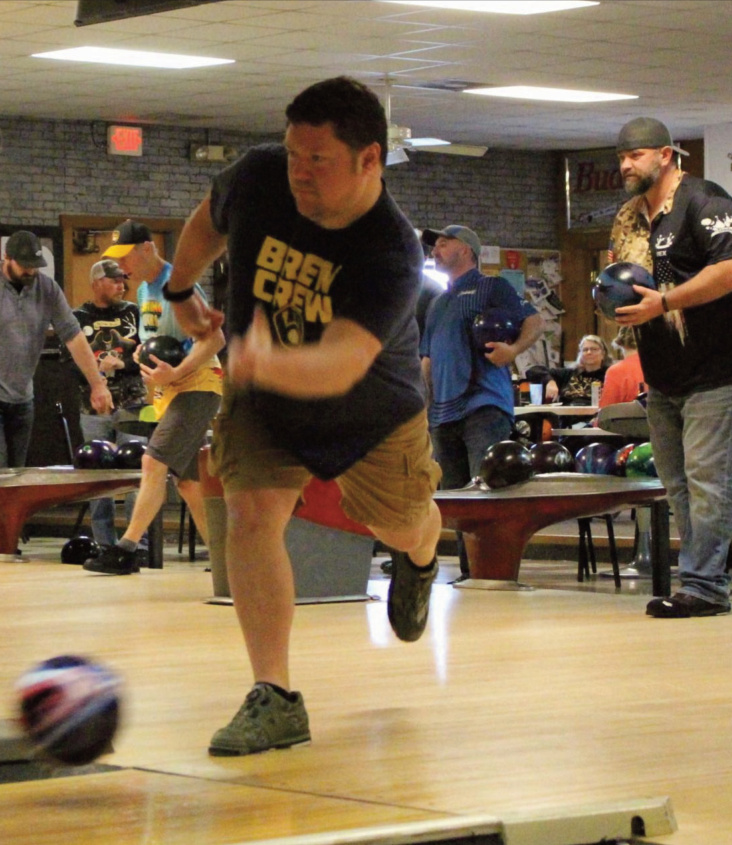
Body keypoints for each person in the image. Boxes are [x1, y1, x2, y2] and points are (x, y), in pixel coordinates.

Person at [161, 76, 443, 756]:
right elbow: (209, 218)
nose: (299, 172)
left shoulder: (390, 250)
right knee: (253, 517)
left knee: (395, 522)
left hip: (370, 412)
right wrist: (178, 287)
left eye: (318, 160)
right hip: (265, 401)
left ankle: (422, 553)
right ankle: (275, 695)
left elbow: (342, 363)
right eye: (293, 153)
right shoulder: (259, 176)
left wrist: (262, 360)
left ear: (369, 159)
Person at [609, 116, 732, 618]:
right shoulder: (630, 217)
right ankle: (701, 578)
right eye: (622, 157)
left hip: (716, 370)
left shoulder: (704, 200)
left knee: (710, 481)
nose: (626, 164)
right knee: (679, 484)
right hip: (663, 372)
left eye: (637, 155)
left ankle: (704, 586)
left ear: (665, 156)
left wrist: (664, 302)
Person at [82, 220, 224, 575]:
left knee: (152, 462)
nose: (121, 266)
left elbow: (214, 340)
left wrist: (175, 372)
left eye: (126, 256)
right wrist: (138, 353)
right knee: (188, 483)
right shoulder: (145, 291)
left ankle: (126, 548)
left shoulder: (179, 287)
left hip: (198, 385)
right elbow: (156, 338)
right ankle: (226, 557)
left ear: (148, 248)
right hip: (171, 389)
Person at [419, 224, 543, 581]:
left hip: (482, 406)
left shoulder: (492, 287)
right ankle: (471, 574)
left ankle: (495, 572)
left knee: (486, 491)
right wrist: (422, 405)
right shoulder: (437, 302)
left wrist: (514, 350)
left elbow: (532, 321)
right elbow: (427, 358)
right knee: (458, 499)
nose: (437, 247)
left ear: (468, 250)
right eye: (434, 243)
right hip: (442, 412)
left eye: (445, 241)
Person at [0, 230, 112, 468]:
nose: (30, 271)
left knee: (16, 474)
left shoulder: (47, 289)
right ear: (6, 258)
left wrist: (97, 384)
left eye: (35, 265)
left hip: (22, 397)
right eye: (25, 265)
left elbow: (74, 336)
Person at [70, 259, 149, 550]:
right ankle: (104, 543)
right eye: (114, 280)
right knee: (97, 475)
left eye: (122, 280)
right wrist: (95, 371)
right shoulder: (78, 316)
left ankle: (136, 542)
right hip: (93, 407)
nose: (121, 286)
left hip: (133, 401)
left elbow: (147, 352)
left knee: (135, 470)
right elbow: (69, 360)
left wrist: (123, 362)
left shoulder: (133, 312)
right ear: (96, 283)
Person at [543, 334, 611, 405]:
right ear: (580, 354)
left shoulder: (610, 375)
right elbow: (534, 370)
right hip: (566, 414)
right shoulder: (569, 373)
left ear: (603, 353)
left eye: (594, 349)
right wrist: (550, 382)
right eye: (585, 350)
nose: (589, 352)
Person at [597, 325, 646, 409]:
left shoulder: (616, 371)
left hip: (628, 420)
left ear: (620, 342)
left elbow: (606, 412)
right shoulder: (663, 366)